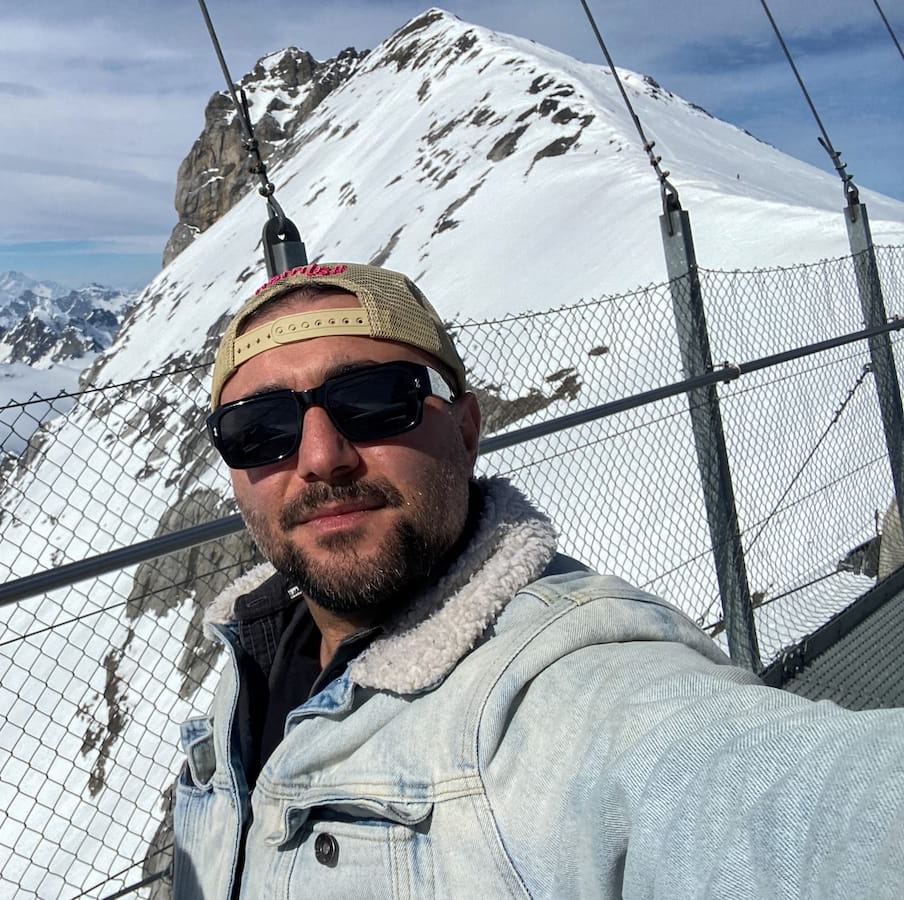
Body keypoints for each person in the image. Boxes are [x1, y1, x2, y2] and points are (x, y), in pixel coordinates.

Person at [172, 262, 904, 899]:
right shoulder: (253, 658)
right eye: (258, 428)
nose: (321, 455)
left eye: (372, 400)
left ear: (465, 428)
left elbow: (775, 804)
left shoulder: (571, 691)